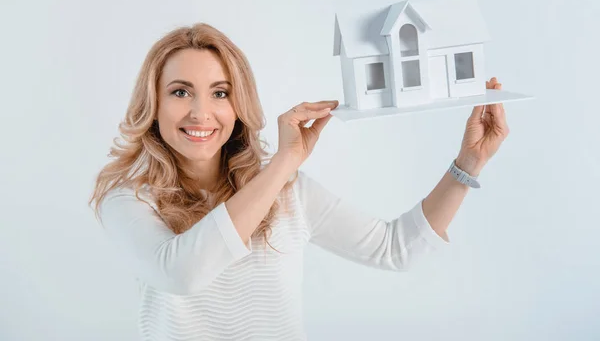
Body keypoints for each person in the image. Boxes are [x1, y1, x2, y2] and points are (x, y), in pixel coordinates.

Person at [88, 23, 509, 341]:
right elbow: (181, 273)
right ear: (153, 103)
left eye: (220, 93)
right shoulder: (129, 199)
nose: (201, 112)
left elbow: (395, 248)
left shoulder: (289, 192)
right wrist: (285, 161)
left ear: (238, 105)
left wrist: (467, 164)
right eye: (180, 92)